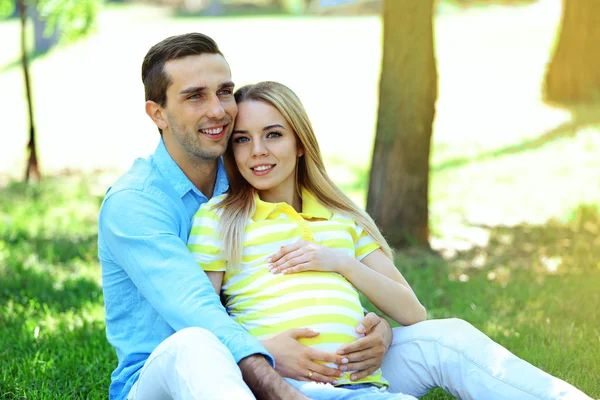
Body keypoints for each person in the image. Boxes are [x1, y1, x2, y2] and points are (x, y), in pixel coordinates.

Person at [98, 32, 592, 400]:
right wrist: (270, 366)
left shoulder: (243, 183)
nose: (219, 110)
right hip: (178, 378)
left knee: (446, 337)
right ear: (157, 113)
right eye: (193, 96)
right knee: (197, 345)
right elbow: (198, 313)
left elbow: (300, 293)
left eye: (223, 90)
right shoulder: (136, 205)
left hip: (308, 364)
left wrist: (380, 328)